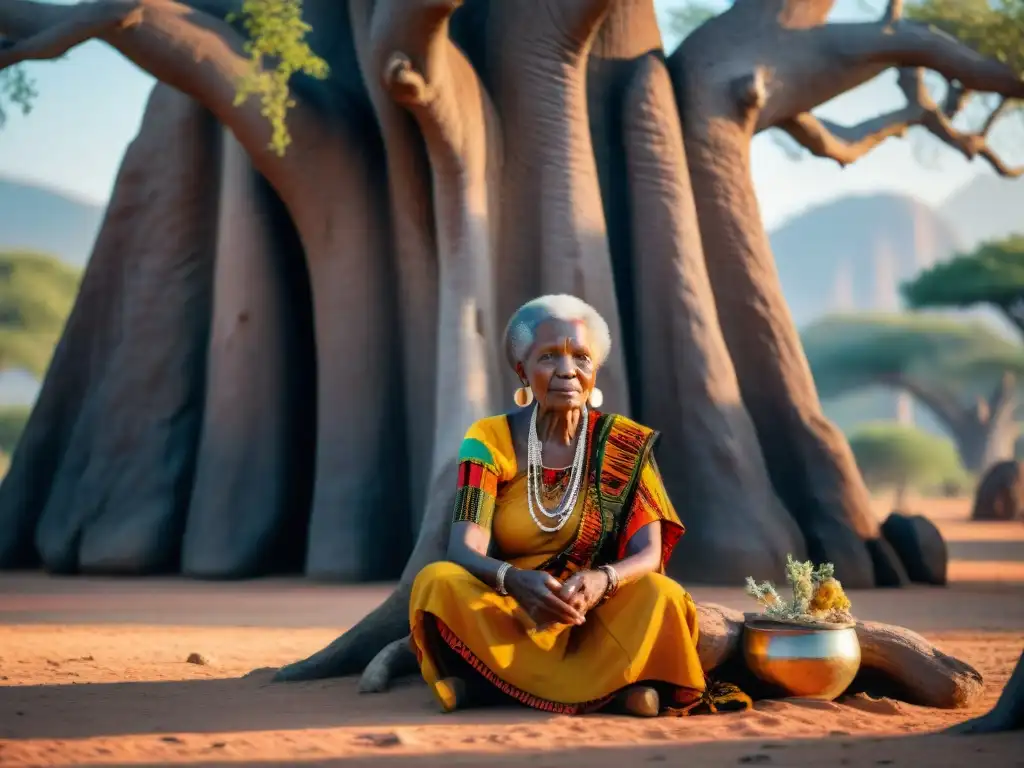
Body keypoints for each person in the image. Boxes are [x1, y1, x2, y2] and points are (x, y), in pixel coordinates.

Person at [409, 294, 751, 717]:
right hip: (511, 608)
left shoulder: (623, 442)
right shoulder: (489, 438)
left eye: (581, 358)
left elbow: (647, 553)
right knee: (438, 580)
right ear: (522, 370)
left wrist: (601, 581)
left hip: (591, 613)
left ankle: (487, 688)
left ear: (595, 372)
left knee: (662, 593)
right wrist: (514, 580)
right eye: (550, 357)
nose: (568, 371)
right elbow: (463, 548)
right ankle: (617, 693)